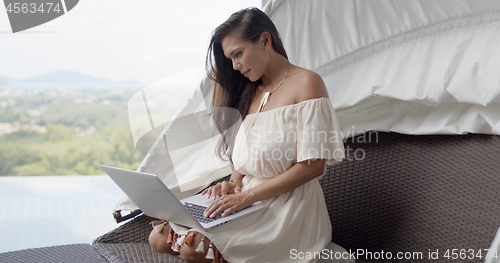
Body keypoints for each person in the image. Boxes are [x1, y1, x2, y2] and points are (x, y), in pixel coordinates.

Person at [148, 7, 345, 263]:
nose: (235, 66)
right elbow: (246, 158)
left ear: (265, 40)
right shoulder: (250, 91)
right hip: (245, 202)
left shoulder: (307, 82)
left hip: (286, 209)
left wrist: (247, 196)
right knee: (158, 237)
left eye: (238, 54)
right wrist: (234, 183)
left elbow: (313, 166)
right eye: (230, 59)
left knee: (192, 248)